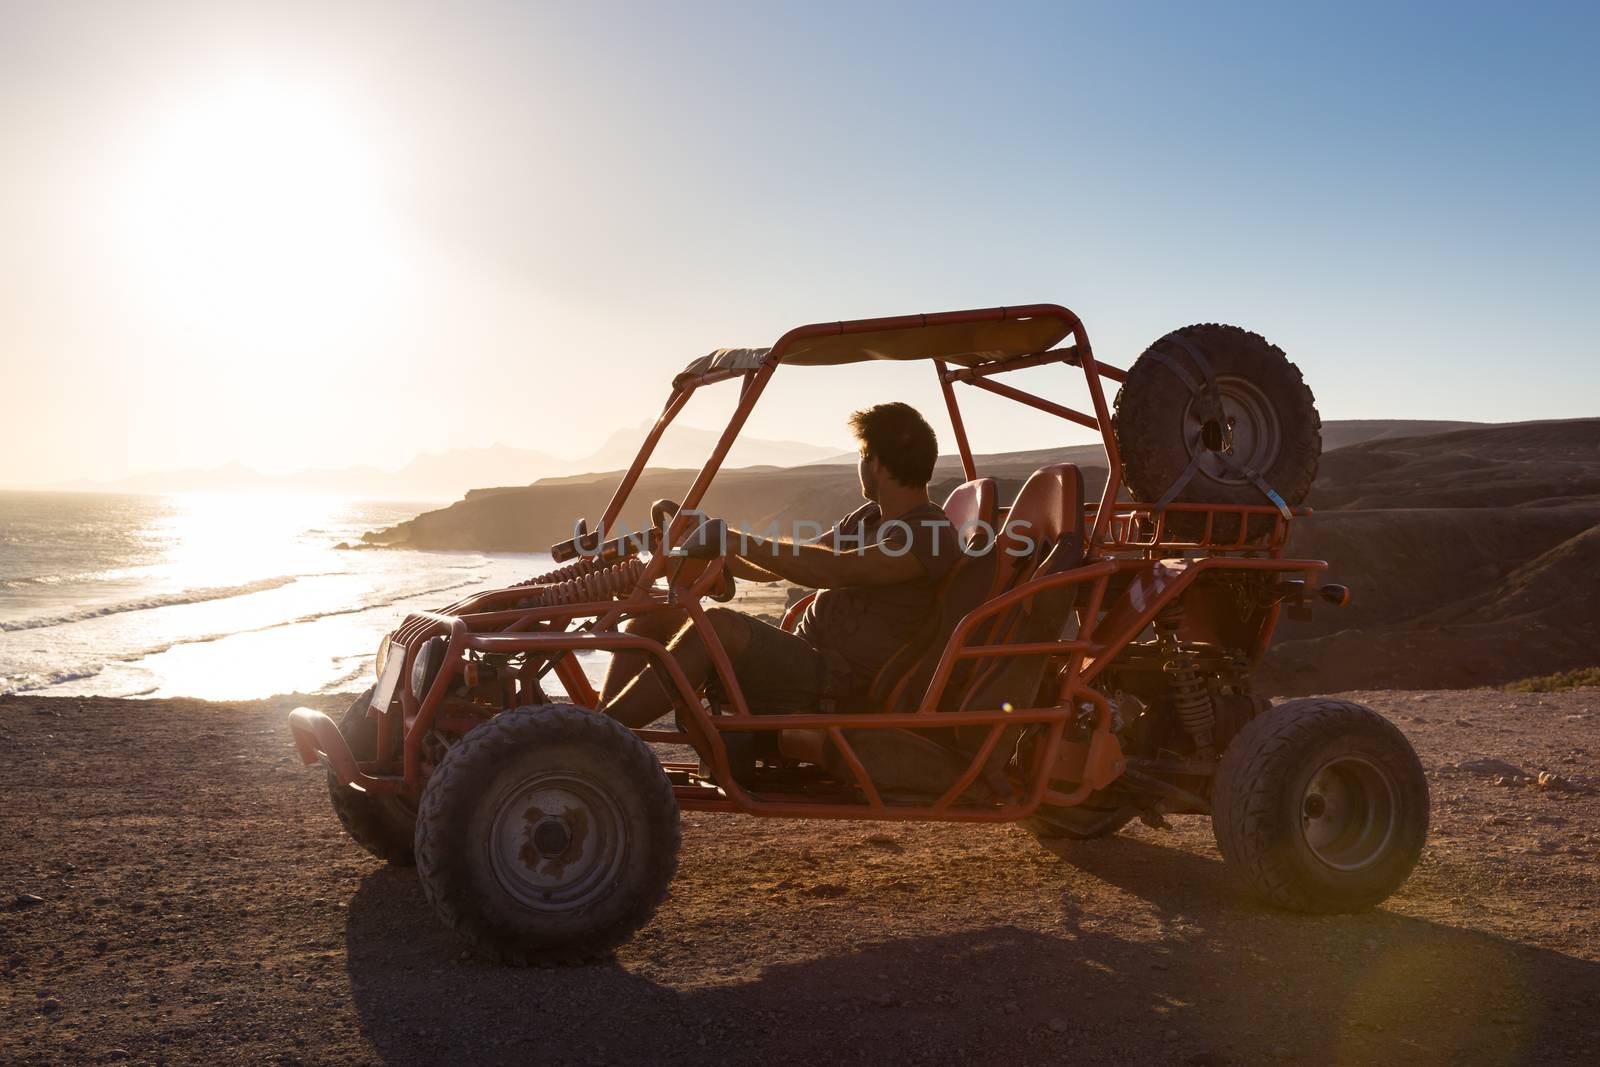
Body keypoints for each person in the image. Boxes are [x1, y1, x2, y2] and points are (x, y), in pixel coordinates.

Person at [600, 402, 960, 729]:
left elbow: (835, 570)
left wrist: (731, 540)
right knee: (653, 617)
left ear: (875, 462)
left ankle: (601, 735)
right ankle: (598, 723)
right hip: (804, 660)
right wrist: (716, 548)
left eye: (862, 457)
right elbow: (789, 563)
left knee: (719, 626)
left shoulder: (928, 533)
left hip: (840, 682)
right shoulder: (866, 519)